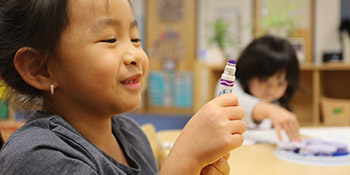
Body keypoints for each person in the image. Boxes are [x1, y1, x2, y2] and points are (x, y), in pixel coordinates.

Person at [0, 0, 246, 174]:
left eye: (135, 38)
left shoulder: (130, 133)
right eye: (109, 39)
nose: (135, 55)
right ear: (39, 68)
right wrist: (184, 160)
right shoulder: (37, 158)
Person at [219, 35, 300, 141]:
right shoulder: (230, 85)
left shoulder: (277, 103)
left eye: (280, 83)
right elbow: (236, 104)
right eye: (264, 80)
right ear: (248, 72)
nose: (271, 89)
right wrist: (271, 111)